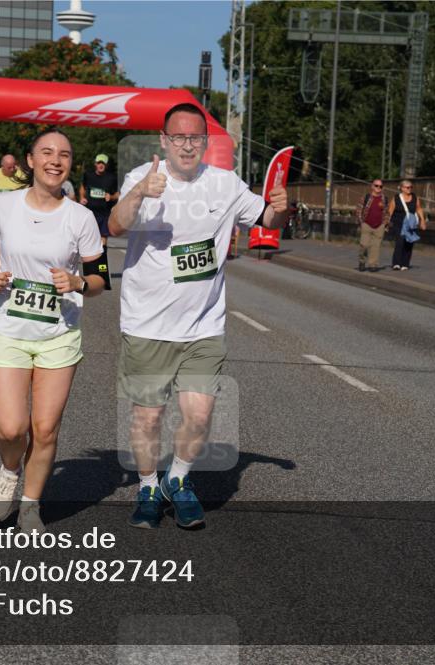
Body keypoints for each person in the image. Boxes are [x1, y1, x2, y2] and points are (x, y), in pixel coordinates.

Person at [108, 103, 288, 529]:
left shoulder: (224, 184)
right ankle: (148, 485)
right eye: (179, 138)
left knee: (201, 416)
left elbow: (267, 218)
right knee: (148, 418)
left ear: (205, 143)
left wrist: (280, 208)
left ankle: (178, 480)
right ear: (164, 141)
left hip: (203, 326)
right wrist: (138, 195)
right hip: (148, 324)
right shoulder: (143, 178)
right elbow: (116, 225)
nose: (187, 146)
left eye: (195, 138)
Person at [0, 128, 107, 533]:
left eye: (64, 154)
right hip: (9, 328)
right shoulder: (4, 205)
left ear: (71, 165)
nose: (56, 160)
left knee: (45, 428)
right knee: (11, 428)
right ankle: (9, 468)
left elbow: (100, 276)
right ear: (30, 160)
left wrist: (79, 283)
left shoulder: (81, 217)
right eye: (47, 152)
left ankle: (32, 503)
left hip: (59, 333)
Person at [80, 154, 120, 247]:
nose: (101, 165)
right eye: (99, 163)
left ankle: (102, 260)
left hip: (104, 213)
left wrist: (111, 197)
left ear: (106, 165)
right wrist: (82, 197)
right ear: (95, 164)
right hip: (89, 212)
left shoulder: (112, 178)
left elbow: (118, 194)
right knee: (88, 238)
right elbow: (83, 187)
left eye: (103, 163)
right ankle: (90, 259)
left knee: (103, 239)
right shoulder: (88, 175)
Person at [387, 179, 427, 270]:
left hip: (410, 223)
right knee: (400, 241)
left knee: (409, 242)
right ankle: (396, 263)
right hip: (399, 223)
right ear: (402, 188)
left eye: (411, 187)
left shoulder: (415, 197)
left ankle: (405, 263)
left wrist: (422, 221)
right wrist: (387, 222)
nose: (409, 189)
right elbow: (390, 210)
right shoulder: (396, 198)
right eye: (407, 187)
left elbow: (419, 209)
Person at [357, 178, 388, 272]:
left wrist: (385, 223)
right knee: (364, 245)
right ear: (372, 186)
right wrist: (361, 222)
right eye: (376, 185)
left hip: (379, 225)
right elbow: (359, 209)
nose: (378, 187)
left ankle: (372, 264)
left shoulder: (384, 199)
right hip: (366, 224)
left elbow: (387, 212)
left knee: (376, 246)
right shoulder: (366, 197)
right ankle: (362, 261)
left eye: (380, 186)